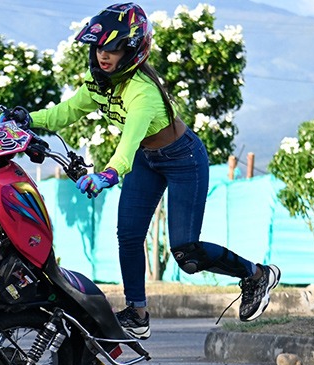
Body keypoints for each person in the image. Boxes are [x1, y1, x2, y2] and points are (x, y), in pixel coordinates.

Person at [14, 2, 281, 340]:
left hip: (183, 159)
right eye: (98, 47)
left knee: (186, 253)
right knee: (128, 235)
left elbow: (127, 143)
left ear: (132, 49)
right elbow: (66, 112)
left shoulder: (143, 93)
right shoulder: (99, 82)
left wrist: (108, 175)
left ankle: (256, 275)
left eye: (112, 48)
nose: (103, 55)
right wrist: (26, 119)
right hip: (147, 159)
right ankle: (137, 314)